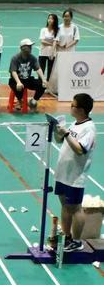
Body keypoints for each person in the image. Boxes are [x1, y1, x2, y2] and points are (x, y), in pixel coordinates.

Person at [53, 94, 96, 252]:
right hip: (63, 173)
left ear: (82, 110)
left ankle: (77, 242)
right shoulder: (75, 124)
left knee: (75, 208)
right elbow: (60, 140)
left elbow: (79, 149)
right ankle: (67, 236)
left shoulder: (89, 128)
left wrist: (66, 134)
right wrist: (57, 130)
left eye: (73, 105)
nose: (70, 107)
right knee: (65, 206)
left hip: (75, 176)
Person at [8, 39, 47, 112]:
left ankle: (33, 101)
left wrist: (43, 79)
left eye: (30, 46)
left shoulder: (32, 58)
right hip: (16, 80)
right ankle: (20, 100)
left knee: (42, 85)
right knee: (16, 85)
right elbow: (13, 71)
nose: (31, 48)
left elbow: (38, 68)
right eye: (29, 46)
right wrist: (18, 82)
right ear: (23, 48)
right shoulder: (15, 58)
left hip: (27, 79)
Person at [39, 13, 59, 82]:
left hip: (52, 54)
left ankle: (48, 85)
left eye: (52, 19)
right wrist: (51, 43)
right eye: (49, 18)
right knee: (41, 70)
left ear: (55, 21)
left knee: (50, 72)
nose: (50, 20)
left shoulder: (56, 31)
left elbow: (55, 41)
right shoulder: (43, 30)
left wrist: (52, 53)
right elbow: (42, 41)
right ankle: (40, 84)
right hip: (42, 53)